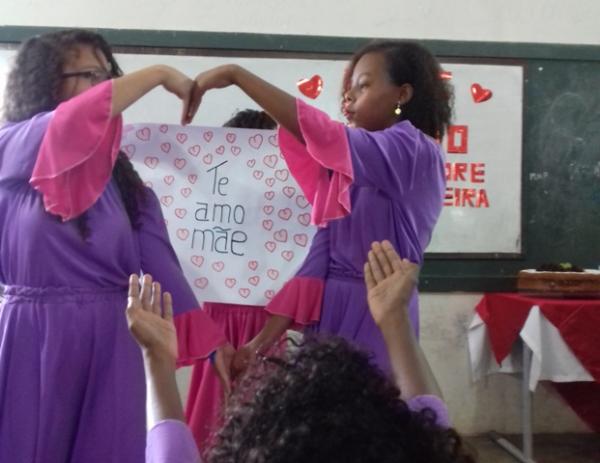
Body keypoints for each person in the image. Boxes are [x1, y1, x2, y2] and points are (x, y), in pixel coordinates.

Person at [0, 29, 231, 463]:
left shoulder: (124, 184)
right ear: (44, 80)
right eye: (88, 74)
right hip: (32, 338)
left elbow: (160, 267)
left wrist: (210, 342)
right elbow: (68, 126)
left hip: (113, 341)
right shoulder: (12, 147)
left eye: (108, 75)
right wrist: (160, 72)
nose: (103, 87)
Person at [184, 40, 452, 374]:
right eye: (348, 88)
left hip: (381, 311)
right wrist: (259, 344)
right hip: (329, 314)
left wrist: (237, 75)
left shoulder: (414, 151)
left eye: (364, 85)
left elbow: (323, 134)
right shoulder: (347, 173)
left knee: (365, 416)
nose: (349, 97)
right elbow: (315, 262)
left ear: (402, 94)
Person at [129, 241, 474, 462]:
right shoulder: (424, 446)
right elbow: (432, 423)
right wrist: (395, 320)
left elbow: (170, 449)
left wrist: (157, 359)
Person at [185, 109, 278, 452]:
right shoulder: (206, 203)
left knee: (264, 415)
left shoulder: (287, 206)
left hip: (264, 323)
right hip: (217, 320)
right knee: (213, 411)